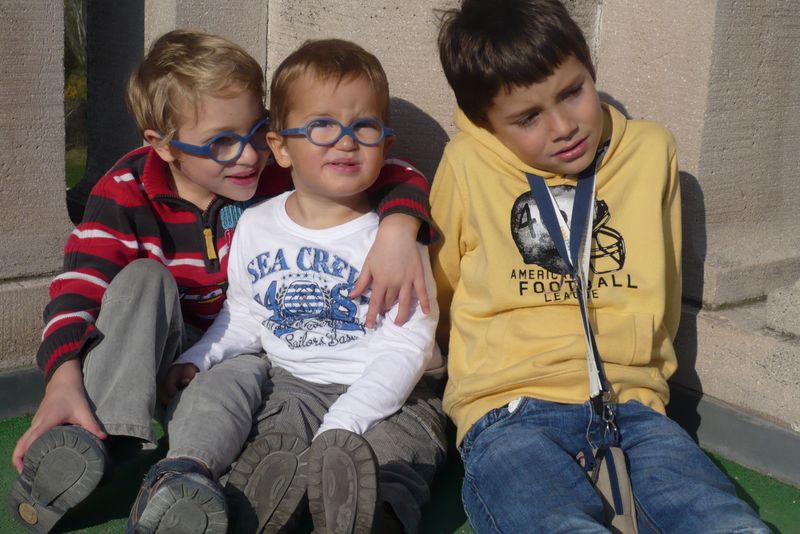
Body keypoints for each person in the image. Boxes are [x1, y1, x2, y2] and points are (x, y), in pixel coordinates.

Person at [9, 29, 437, 534]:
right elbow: (78, 287)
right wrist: (62, 376)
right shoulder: (126, 191)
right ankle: (98, 437)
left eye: (257, 132)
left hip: (232, 354)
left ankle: (184, 475)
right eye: (222, 142)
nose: (249, 156)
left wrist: (399, 225)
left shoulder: (279, 173)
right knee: (143, 281)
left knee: (239, 377)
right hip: (152, 359)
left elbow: (389, 169)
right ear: (163, 146)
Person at [430, 1, 769, 532]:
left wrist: (638, 374)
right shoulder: (467, 163)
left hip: (632, 407)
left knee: (724, 521)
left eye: (572, 92)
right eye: (528, 118)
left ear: (590, 67)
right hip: (508, 411)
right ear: (486, 123)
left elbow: (662, 292)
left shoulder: (650, 151)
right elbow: (440, 293)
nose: (564, 127)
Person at [130, 38, 447, 534]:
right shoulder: (256, 225)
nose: (346, 142)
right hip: (292, 385)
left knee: (395, 456)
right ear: (280, 147)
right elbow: (245, 313)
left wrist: (344, 424)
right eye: (322, 125)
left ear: (385, 146)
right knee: (273, 448)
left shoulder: (396, 241)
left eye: (363, 126)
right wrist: (201, 356)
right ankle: (254, 509)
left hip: (395, 394)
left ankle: (370, 516)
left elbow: (408, 346)